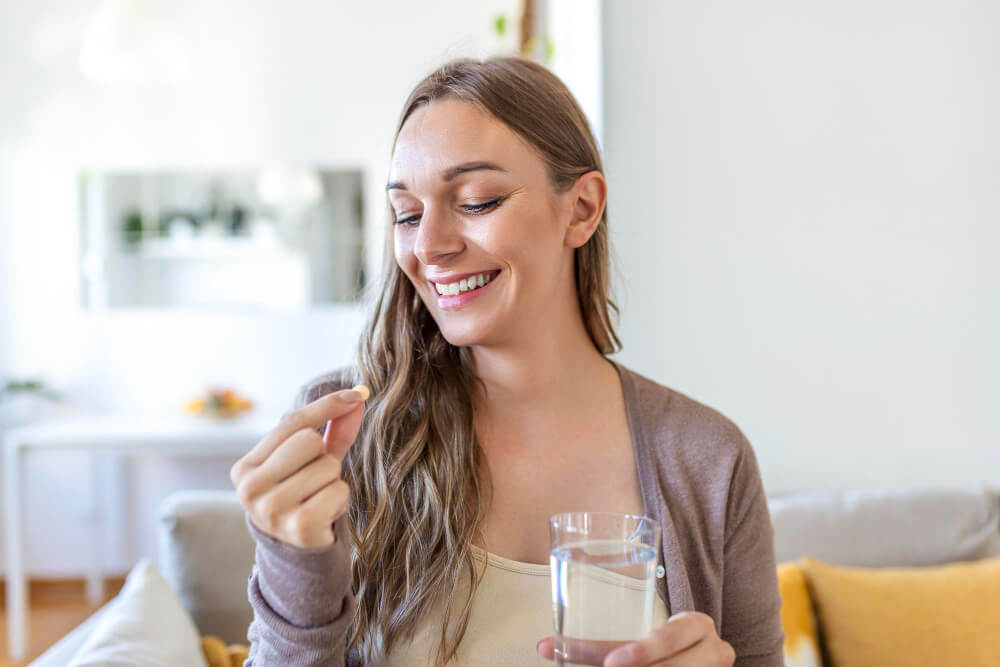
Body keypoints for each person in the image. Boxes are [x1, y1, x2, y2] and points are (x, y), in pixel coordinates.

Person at [229, 56, 785, 666]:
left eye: (476, 201)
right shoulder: (345, 438)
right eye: (407, 214)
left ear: (581, 209)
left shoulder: (707, 460)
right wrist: (295, 569)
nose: (429, 247)